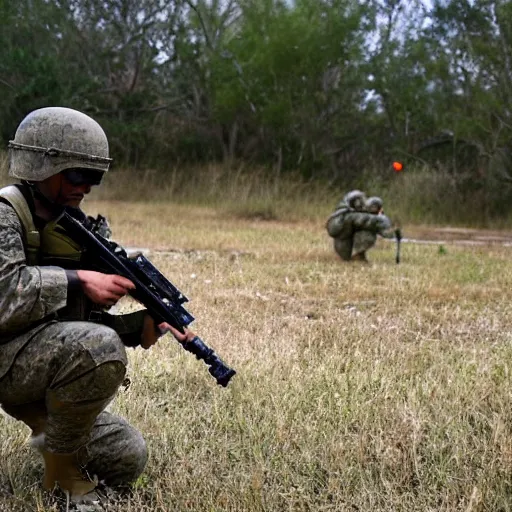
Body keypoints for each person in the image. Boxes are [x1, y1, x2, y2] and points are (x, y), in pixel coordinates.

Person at [0, 107, 195, 503]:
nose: (86, 187)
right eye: (78, 174)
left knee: (127, 457)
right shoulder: (5, 216)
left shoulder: (78, 229)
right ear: (41, 164)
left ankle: (52, 435)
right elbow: (5, 295)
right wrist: (78, 281)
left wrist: (137, 327)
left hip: (30, 363)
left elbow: (70, 326)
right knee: (98, 347)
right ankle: (62, 476)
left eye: (95, 177)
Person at [326, 191, 397, 262]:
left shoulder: (360, 215)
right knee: (369, 232)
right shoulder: (349, 215)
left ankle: (357, 256)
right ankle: (356, 257)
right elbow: (382, 225)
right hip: (343, 243)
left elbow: (385, 231)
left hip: (344, 242)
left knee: (368, 229)